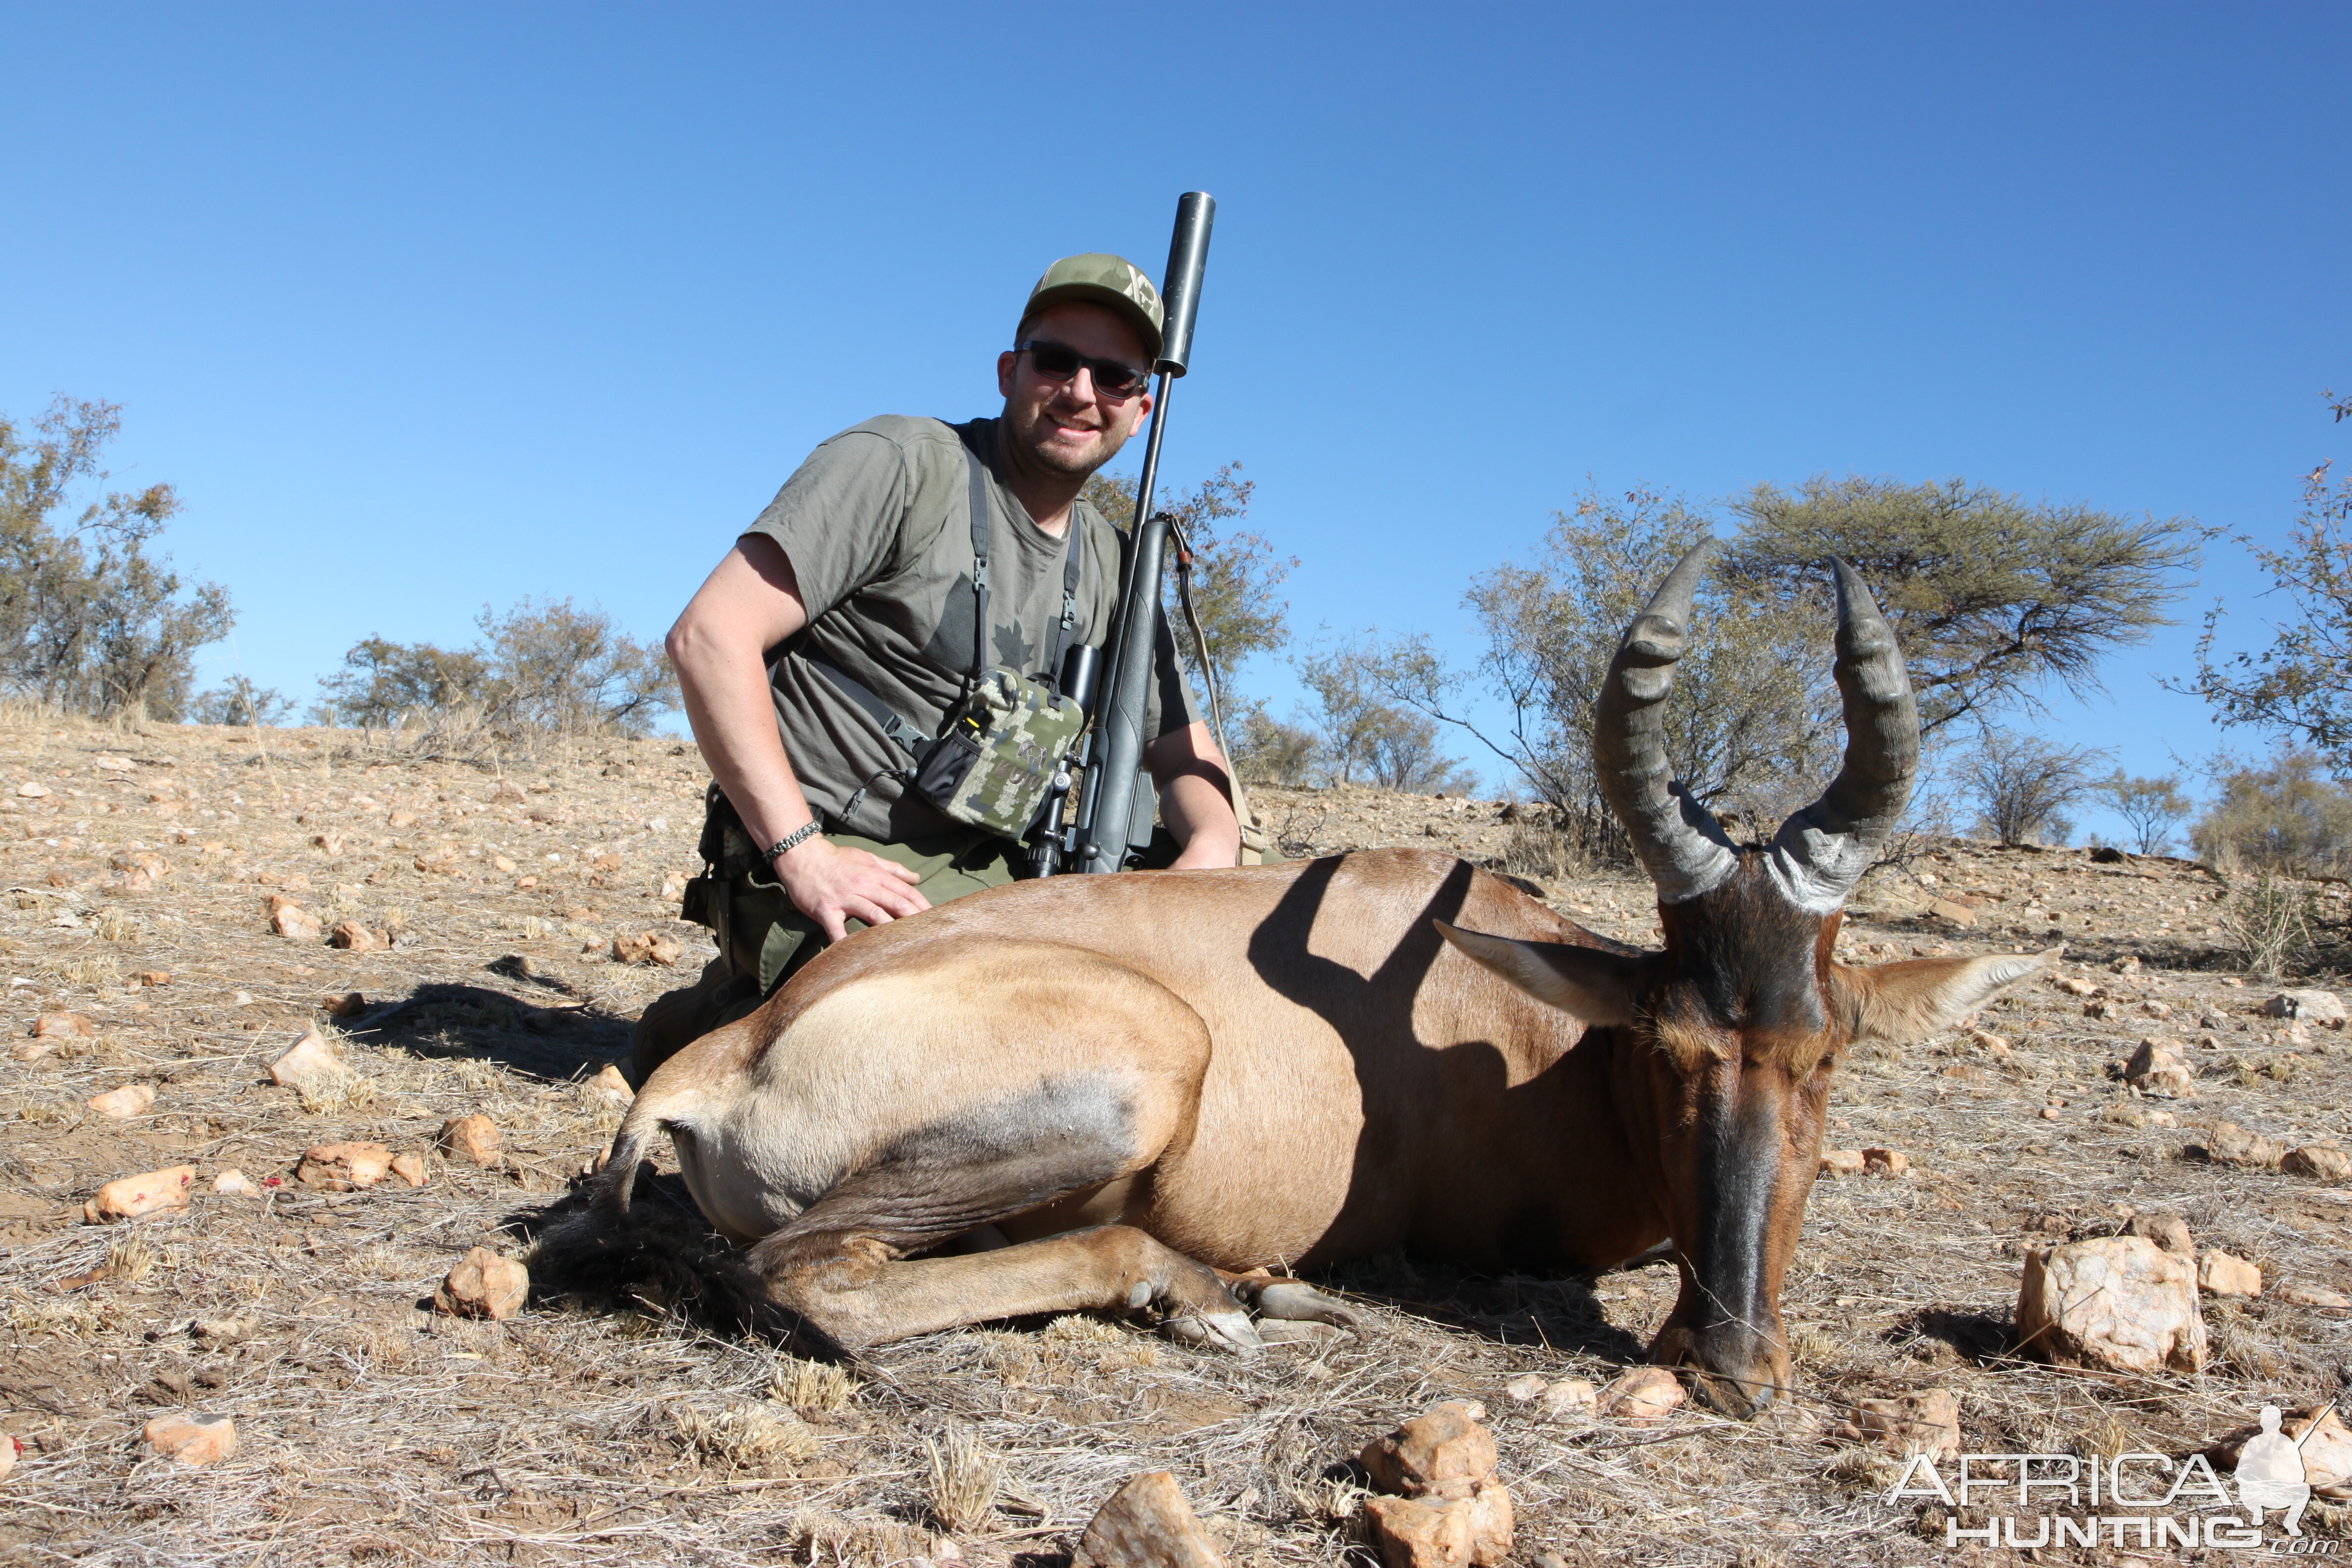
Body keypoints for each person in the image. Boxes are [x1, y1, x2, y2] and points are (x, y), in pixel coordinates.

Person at [635, 254, 1243, 1077]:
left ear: (1139, 409)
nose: (1080, 391)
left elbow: (1183, 757)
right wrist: (806, 856)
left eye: (1114, 376)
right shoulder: (900, 462)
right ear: (1009, 370)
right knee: (1014, 1026)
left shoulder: (1115, 560)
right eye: (1056, 359)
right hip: (848, 860)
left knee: (1259, 931)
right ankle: (740, 1022)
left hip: (1003, 871)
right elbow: (709, 638)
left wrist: (1213, 849)